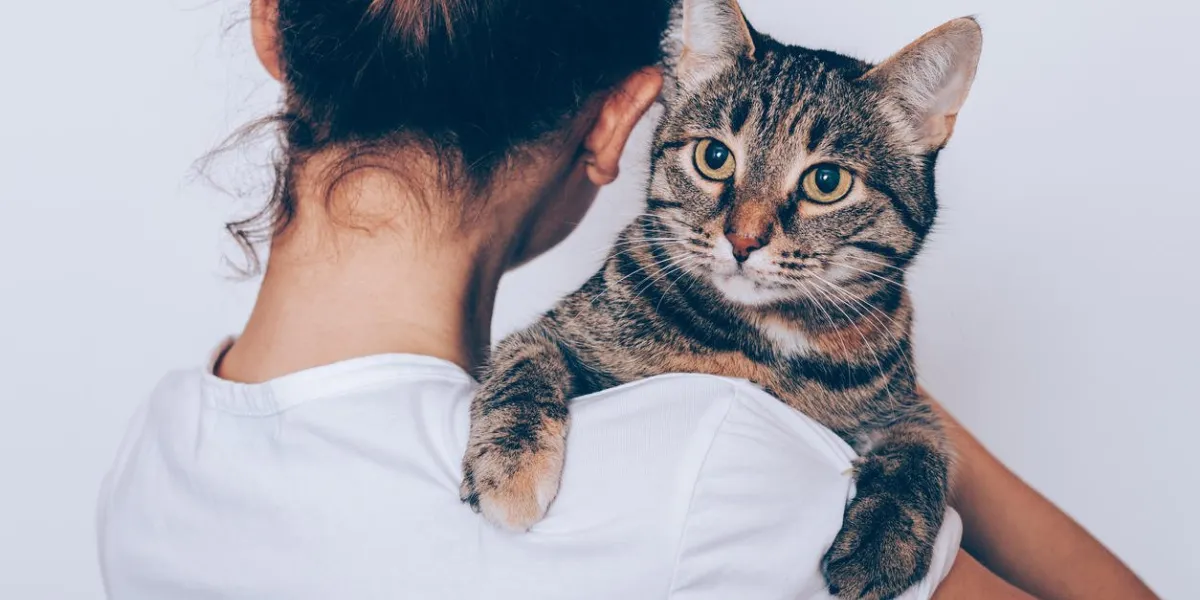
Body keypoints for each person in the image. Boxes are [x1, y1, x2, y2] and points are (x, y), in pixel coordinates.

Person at [96, 1, 1158, 599]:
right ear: (619, 127)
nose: (746, 228)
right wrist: (885, 420)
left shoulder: (154, 457)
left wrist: (865, 379)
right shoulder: (717, 466)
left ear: (271, 27)